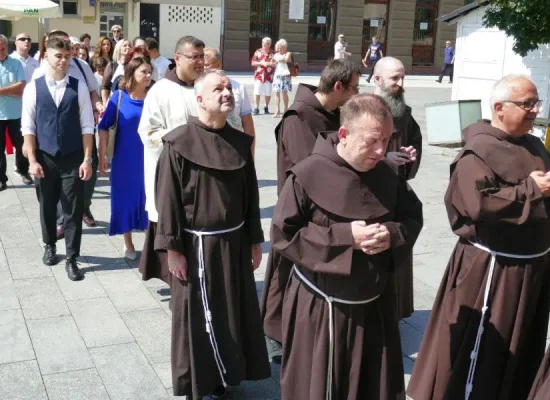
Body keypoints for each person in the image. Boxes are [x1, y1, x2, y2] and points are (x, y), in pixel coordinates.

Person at [271, 93, 423, 399]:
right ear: (344, 134)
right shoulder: (307, 174)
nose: (381, 151)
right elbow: (284, 234)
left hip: (375, 305)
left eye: (386, 140)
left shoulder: (388, 173)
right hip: (321, 306)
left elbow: (411, 217)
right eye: (372, 141)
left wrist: (391, 234)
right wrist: (344, 238)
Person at [407, 75, 550, 400]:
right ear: (499, 107)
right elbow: (476, 204)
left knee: (520, 351)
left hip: (532, 269)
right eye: (527, 104)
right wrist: (531, 189)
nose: (534, 110)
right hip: (493, 272)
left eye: (536, 103)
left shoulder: (535, 146)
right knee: (483, 353)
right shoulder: (478, 152)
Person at [154, 69, 270, 399]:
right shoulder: (178, 144)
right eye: (218, 88)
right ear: (200, 99)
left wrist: (254, 240)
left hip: (233, 243)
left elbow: (251, 196)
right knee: (197, 316)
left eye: (229, 87)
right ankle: (198, 382)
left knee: (231, 311)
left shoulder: (240, 143)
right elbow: (167, 200)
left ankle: (225, 373)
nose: (227, 92)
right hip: (196, 246)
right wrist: (173, 249)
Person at [260, 59, 362, 361]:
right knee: (284, 270)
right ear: (338, 86)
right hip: (299, 210)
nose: (357, 93)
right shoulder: (298, 118)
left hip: (326, 206)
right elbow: (310, 166)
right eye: (354, 87)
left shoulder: (334, 113)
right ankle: (273, 331)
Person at [21, 37, 94, 281]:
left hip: (72, 156)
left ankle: (72, 258)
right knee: (47, 205)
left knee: (73, 209)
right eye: (58, 56)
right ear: (46, 57)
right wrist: (32, 160)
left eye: (67, 57)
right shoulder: (34, 87)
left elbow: (87, 125)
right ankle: (49, 244)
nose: (63, 61)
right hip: (45, 157)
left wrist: (87, 159)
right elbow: (28, 127)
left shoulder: (78, 86)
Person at [137, 35, 204, 285]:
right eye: (194, 57)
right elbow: (148, 133)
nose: (200, 62)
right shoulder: (160, 91)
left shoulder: (205, 86)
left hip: (202, 176)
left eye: (202, 57)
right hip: (171, 174)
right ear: (177, 58)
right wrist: (184, 139)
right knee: (172, 226)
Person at [32, 30, 104, 235]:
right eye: (59, 45)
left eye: (67, 45)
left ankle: (83, 207)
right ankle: (62, 219)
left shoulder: (81, 66)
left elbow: (93, 91)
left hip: (84, 130)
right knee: (57, 180)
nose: (65, 51)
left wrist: (98, 104)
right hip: (55, 137)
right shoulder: (41, 71)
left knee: (89, 174)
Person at [373, 56, 422, 320]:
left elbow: (414, 141)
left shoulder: (404, 113)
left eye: (403, 78)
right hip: (370, 195)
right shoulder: (358, 110)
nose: (400, 83)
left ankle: (394, 312)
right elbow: (345, 151)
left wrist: (410, 156)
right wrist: (382, 158)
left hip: (397, 194)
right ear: (377, 79)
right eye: (395, 78)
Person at [98, 57, 150, 260]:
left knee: (148, 200)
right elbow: (103, 127)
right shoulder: (119, 97)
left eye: (150, 72)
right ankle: (128, 242)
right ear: (131, 74)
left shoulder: (154, 97)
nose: (148, 76)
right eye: (143, 72)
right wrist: (102, 156)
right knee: (125, 200)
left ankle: (151, 243)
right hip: (124, 159)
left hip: (149, 158)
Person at [203, 47, 255, 153]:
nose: (203, 68)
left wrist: (250, 157)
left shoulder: (238, 88)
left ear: (218, 64)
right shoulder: (199, 88)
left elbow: (248, 127)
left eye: (207, 65)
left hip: (234, 149)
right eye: (201, 65)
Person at [0, 34, 30, 190]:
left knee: (21, 144)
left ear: (7, 46)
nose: (1, 52)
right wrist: (11, 90)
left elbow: (21, 85)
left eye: (3, 49)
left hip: (16, 113)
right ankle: (1, 179)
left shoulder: (16, 63)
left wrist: (2, 91)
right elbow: (16, 88)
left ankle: (24, 171)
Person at [102, 39, 132, 103]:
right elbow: (105, 87)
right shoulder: (112, 65)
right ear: (119, 49)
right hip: (113, 101)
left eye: (129, 45)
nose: (128, 47)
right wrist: (105, 103)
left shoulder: (134, 65)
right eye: (125, 45)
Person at [251, 37, 275, 115]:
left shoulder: (273, 53)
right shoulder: (258, 52)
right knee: (257, 91)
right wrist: (261, 63)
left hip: (269, 75)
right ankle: (256, 108)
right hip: (259, 75)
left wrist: (271, 64)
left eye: (267, 44)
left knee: (268, 92)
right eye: (264, 43)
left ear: (270, 44)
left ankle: (266, 107)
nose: (265, 45)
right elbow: (253, 63)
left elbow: (276, 63)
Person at [271, 38, 292, 118]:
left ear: (285, 47)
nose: (279, 49)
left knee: (284, 93)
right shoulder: (276, 54)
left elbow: (286, 60)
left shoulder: (288, 53)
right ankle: (277, 110)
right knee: (276, 93)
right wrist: (273, 62)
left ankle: (286, 109)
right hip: (277, 75)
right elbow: (271, 62)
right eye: (278, 48)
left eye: (281, 48)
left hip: (285, 75)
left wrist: (278, 60)